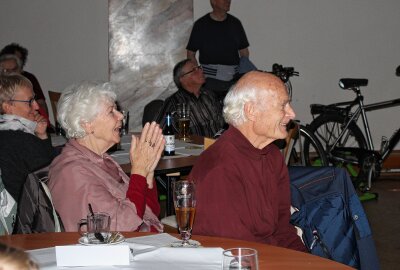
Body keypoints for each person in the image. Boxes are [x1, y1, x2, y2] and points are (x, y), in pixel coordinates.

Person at [190, 71, 307, 252]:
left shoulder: (272, 155)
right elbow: (236, 250)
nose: (292, 113)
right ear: (251, 111)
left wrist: (307, 261)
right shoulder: (220, 168)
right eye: (283, 105)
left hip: (268, 255)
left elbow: (283, 228)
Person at [48, 81, 165, 232]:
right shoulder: (73, 172)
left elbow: (150, 213)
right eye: (111, 112)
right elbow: (122, 227)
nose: (121, 116)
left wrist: (146, 175)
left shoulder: (101, 160)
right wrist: (139, 172)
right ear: (87, 124)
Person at [0, 74, 56, 202]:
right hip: (26, 214)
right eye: (29, 101)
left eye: (34, 99)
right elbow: (52, 177)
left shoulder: (6, 132)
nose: (36, 106)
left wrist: (41, 135)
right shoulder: (21, 140)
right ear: (8, 107)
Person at [186, 0, 251, 101]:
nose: (228, 1)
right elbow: (190, 54)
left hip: (233, 82)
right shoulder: (201, 25)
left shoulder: (235, 24)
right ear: (213, 1)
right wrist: (197, 75)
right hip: (210, 82)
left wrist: (242, 75)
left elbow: (244, 53)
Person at [156, 59, 225, 138]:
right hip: (195, 148)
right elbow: (156, 132)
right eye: (194, 69)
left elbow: (223, 122)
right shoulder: (173, 102)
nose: (201, 71)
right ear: (183, 79)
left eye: (199, 67)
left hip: (220, 144)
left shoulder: (209, 94)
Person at [0, 43, 49, 117]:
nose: (10, 74)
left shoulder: (29, 78)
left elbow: (41, 104)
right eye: (6, 70)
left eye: (13, 69)